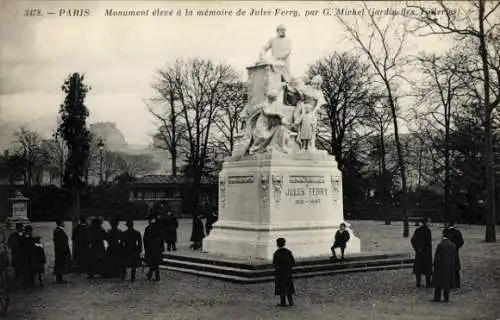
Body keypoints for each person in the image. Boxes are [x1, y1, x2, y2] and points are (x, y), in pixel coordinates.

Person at [432, 229, 456, 302]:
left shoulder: (440, 245)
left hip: (440, 266)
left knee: (438, 282)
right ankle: (446, 297)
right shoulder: (453, 245)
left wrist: (434, 264)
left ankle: (437, 297)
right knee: (447, 281)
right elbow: (454, 257)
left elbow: (437, 257)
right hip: (449, 266)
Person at [410, 217, 433, 288]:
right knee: (425, 269)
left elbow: (413, 240)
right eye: (428, 222)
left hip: (422, 252)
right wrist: (418, 248)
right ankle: (426, 283)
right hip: (425, 252)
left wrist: (417, 249)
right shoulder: (425, 231)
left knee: (420, 269)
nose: (429, 223)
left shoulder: (419, 230)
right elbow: (413, 240)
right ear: (425, 222)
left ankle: (420, 283)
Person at [273, 237, 295, 307]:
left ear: (277, 244)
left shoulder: (276, 253)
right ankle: (291, 302)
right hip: (287, 273)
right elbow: (293, 262)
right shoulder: (288, 252)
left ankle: (283, 302)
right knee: (288, 287)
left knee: (281, 288)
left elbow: (274, 264)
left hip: (280, 273)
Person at [143, 215, 164, 281]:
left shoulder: (148, 228)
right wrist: (161, 247)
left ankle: (153, 276)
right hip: (156, 248)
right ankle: (153, 275)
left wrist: (146, 247)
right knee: (155, 263)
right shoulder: (158, 228)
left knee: (152, 263)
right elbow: (161, 238)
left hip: (151, 248)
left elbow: (145, 239)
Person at [445, 220, 464, 289]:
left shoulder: (446, 232)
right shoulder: (457, 232)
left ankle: (450, 284)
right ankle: (457, 284)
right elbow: (461, 242)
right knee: (456, 269)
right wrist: (456, 247)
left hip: (447, 252)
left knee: (448, 268)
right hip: (455, 252)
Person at [53, 220, 71, 284]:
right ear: (61, 223)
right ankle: (59, 279)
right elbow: (60, 242)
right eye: (63, 223)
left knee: (59, 264)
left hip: (59, 250)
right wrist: (64, 250)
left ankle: (59, 278)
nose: (64, 224)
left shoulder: (58, 231)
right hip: (61, 250)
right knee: (60, 264)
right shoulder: (59, 231)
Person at [19, 225, 36, 289]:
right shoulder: (24, 237)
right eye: (30, 231)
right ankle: (27, 285)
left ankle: (28, 284)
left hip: (28, 257)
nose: (31, 232)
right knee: (27, 271)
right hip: (26, 257)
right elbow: (28, 244)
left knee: (29, 271)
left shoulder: (26, 237)